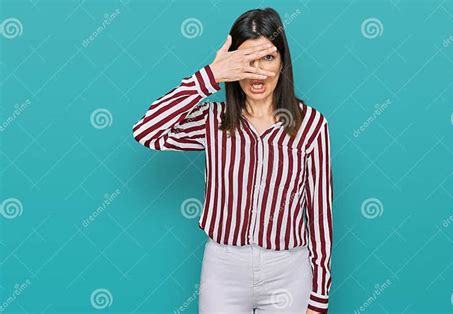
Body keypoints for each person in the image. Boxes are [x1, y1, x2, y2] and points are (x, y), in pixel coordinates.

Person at [132, 7, 333, 314]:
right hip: (224, 268)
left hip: (289, 271)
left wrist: (319, 297)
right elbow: (147, 131)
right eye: (246, 60)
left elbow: (320, 214)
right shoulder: (212, 121)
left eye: (268, 58)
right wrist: (209, 76)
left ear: (283, 62)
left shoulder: (312, 126)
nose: (258, 72)